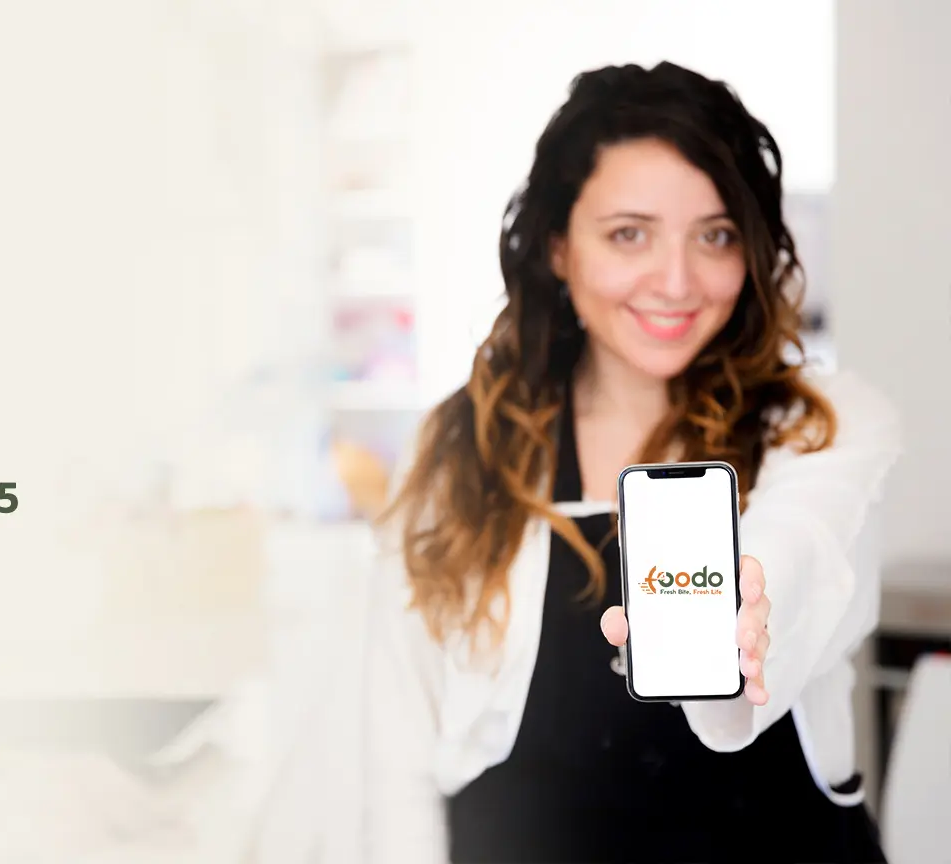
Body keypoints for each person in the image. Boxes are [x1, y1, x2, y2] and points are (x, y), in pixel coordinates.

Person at [288, 62, 905, 864]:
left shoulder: (821, 427)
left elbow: (805, 547)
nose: (677, 281)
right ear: (556, 247)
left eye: (715, 235)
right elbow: (399, 765)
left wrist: (753, 608)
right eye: (629, 234)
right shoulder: (459, 455)